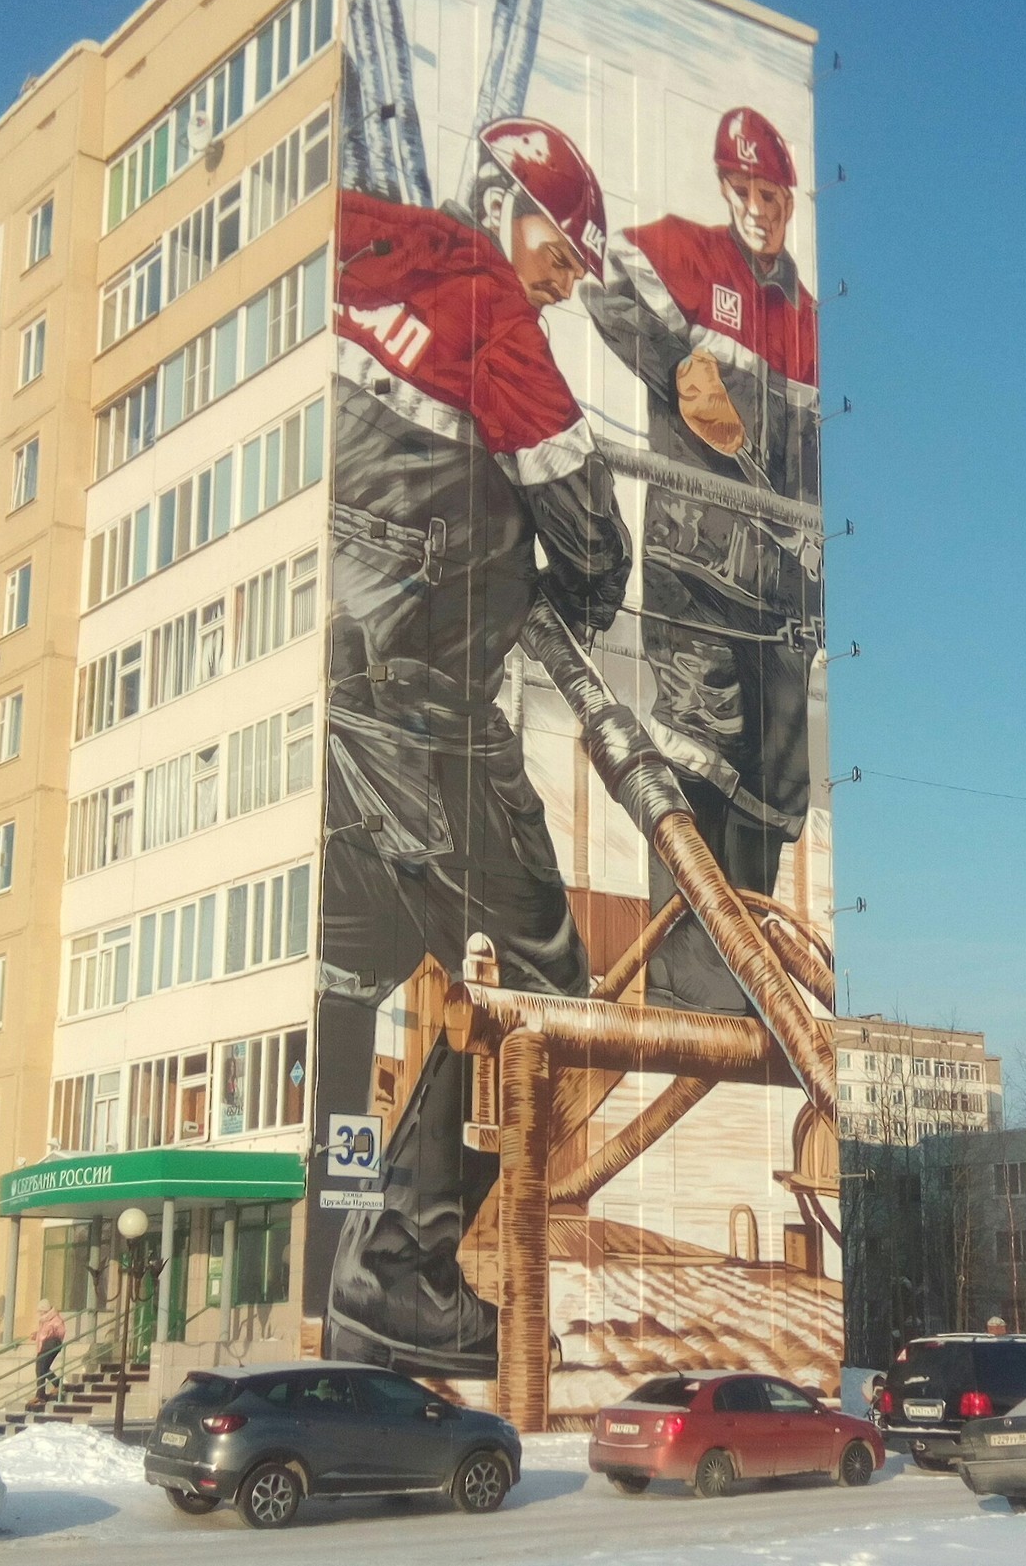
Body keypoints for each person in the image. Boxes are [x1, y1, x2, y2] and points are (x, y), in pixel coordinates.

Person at [315, 117, 632, 1376]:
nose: (565, 280)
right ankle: (397, 1271)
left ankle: (318, 1240)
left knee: (358, 955)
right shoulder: (492, 314)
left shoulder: (357, 248)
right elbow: (591, 530)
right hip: (424, 700)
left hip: (323, 678)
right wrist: (580, 588)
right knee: (545, 995)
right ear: (512, 211)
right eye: (563, 252)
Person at [587, 106, 821, 1017]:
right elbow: (604, 275)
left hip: (784, 593)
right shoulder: (690, 256)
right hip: (695, 568)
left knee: (774, 780)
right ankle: (691, 975)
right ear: (726, 190)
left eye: (773, 194)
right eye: (745, 191)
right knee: (694, 748)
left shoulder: (808, 319)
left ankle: (752, 977)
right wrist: (676, 361)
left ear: (791, 200)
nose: (759, 208)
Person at [32, 1299, 65, 1402]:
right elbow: (43, 1335)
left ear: (45, 1310)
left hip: (51, 1344)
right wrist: (36, 1335)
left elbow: (60, 1332)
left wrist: (51, 1334)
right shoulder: (44, 1320)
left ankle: (41, 1394)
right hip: (45, 1345)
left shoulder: (54, 1319)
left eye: (41, 1311)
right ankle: (57, 1384)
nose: (39, 1313)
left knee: (41, 1367)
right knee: (42, 1368)